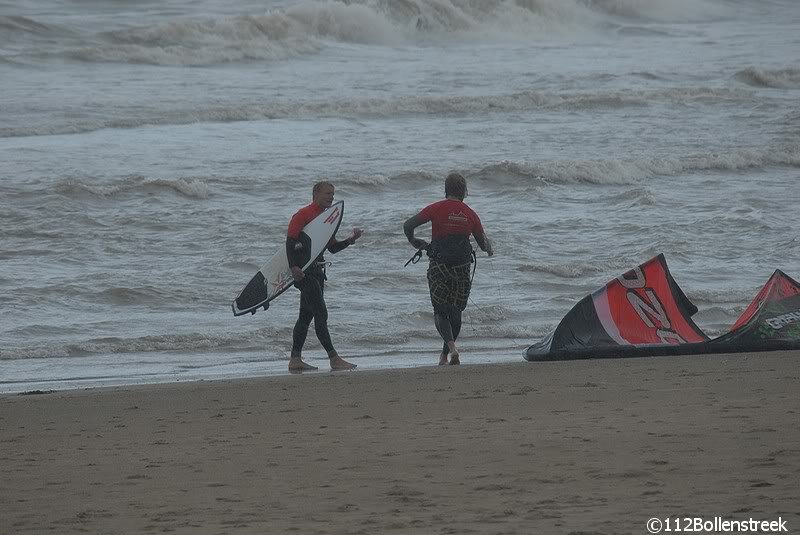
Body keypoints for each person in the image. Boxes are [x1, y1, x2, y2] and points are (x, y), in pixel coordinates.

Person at [403, 172, 493, 365]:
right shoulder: (470, 213)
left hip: (439, 265)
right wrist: (489, 249)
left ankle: (450, 349)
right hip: (462, 268)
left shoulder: (436, 208)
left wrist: (413, 240)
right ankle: (446, 354)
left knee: (440, 310)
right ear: (464, 192)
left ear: (446, 190)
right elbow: (483, 243)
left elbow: (408, 224)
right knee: (455, 312)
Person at [286, 181, 362, 373]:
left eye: (333, 194)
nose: (331, 197)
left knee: (306, 316)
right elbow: (290, 241)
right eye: (328, 193)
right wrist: (294, 267)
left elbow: (332, 248)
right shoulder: (302, 215)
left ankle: (295, 359)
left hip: (318, 272)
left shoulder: (327, 219)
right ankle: (333, 358)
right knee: (321, 313)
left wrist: (349, 241)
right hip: (305, 273)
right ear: (316, 193)